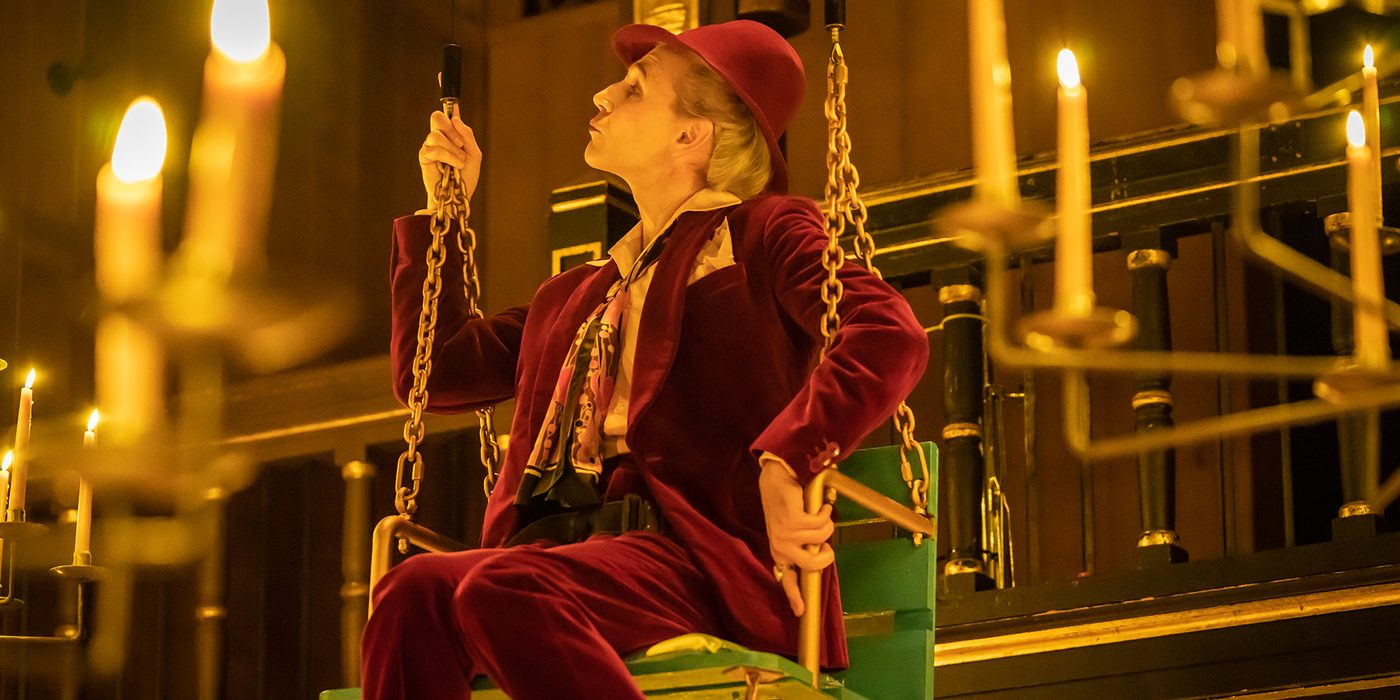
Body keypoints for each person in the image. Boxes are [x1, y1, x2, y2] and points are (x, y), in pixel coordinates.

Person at [361, 19, 928, 699]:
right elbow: (436, 370)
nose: (601, 97)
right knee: (410, 590)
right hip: (563, 557)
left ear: (691, 136)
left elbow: (887, 332)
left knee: (502, 586)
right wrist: (443, 210)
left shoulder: (762, 234)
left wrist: (790, 457)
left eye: (633, 90)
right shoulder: (578, 294)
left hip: (696, 560)